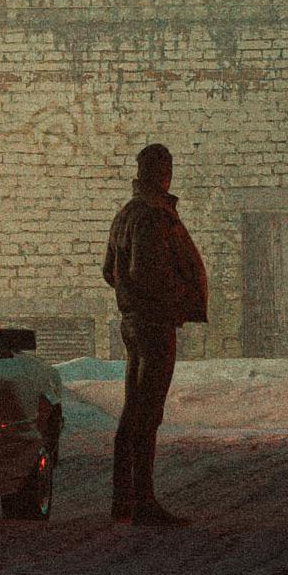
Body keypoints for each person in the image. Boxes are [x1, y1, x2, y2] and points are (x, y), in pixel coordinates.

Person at [102, 141, 208, 524]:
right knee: (147, 412)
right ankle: (143, 502)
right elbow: (152, 275)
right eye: (166, 169)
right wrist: (181, 296)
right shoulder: (151, 216)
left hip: (134, 322)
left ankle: (124, 499)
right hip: (154, 323)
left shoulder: (126, 214)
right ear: (161, 174)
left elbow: (109, 271)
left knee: (134, 409)